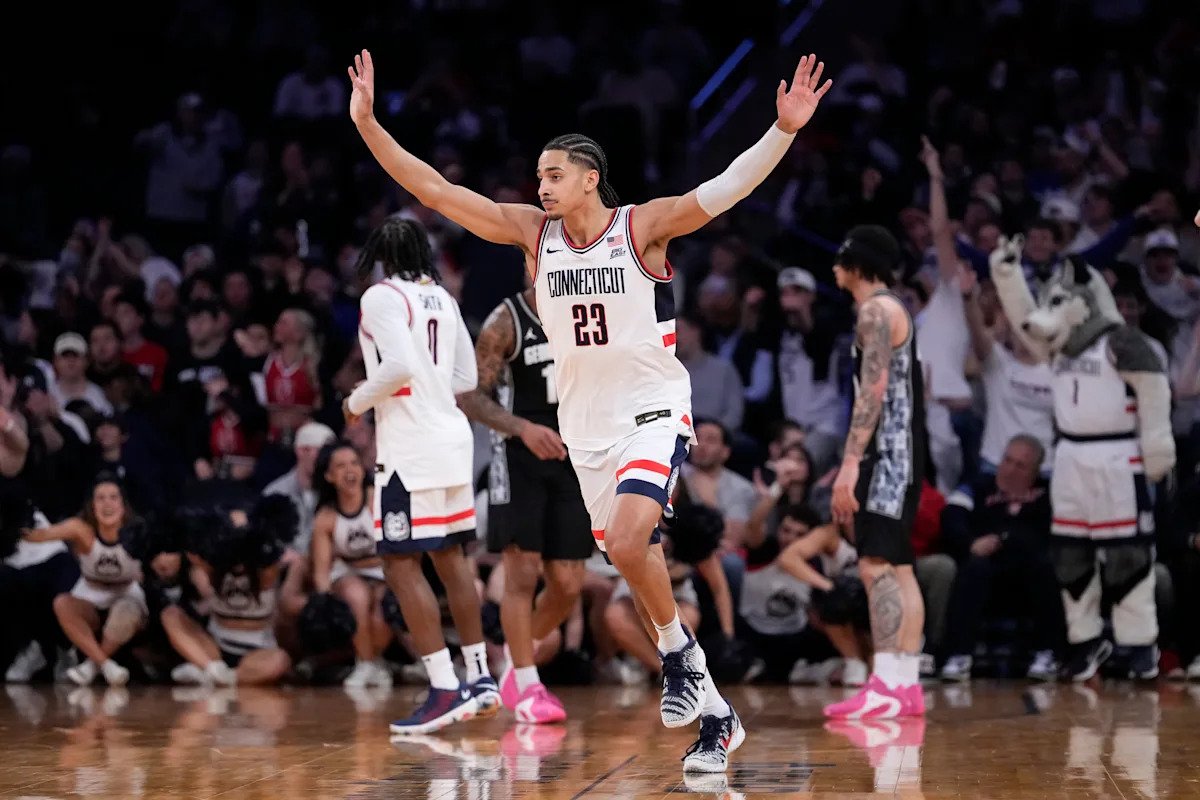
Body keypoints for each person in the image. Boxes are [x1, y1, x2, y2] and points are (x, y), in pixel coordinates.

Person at [348, 47, 831, 771]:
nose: (539, 186)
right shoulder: (532, 236)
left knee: (633, 543)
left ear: (588, 178)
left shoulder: (641, 227)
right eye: (537, 176)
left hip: (651, 407)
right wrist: (369, 125)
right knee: (636, 566)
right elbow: (439, 191)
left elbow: (725, 188)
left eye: (552, 175)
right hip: (585, 429)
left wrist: (783, 131)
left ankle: (680, 665)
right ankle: (713, 710)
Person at [342, 216, 499, 735]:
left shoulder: (381, 296)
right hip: (451, 439)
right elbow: (467, 379)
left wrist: (355, 401)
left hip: (410, 449)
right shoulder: (443, 298)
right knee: (451, 559)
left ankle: (443, 687)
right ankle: (479, 677)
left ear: (379, 255)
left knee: (400, 564)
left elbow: (398, 368)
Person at [457, 287, 591, 723]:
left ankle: (516, 663)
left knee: (569, 583)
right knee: (523, 572)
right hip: (517, 459)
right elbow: (470, 395)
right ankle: (529, 685)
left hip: (573, 456)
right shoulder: (506, 319)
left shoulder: (585, 310)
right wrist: (523, 428)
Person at [825, 225, 927, 719]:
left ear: (858, 263)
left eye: (841, 257)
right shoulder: (893, 307)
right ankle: (904, 684)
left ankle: (886, 683)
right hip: (904, 451)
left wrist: (849, 465)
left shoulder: (875, 311)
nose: (834, 266)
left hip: (887, 454)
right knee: (900, 567)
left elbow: (873, 392)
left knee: (875, 566)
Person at [21, 474, 147, 687]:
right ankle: (106, 665)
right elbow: (38, 535)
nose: (107, 504)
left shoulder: (139, 530)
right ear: (92, 505)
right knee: (62, 603)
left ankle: (91, 666)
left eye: (113, 497)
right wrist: (11, 524)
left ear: (123, 504)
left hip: (126, 595)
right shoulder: (81, 530)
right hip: (90, 594)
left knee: (125, 611)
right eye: (101, 498)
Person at [162, 495, 295, 687]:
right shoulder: (213, 566)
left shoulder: (265, 569)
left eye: (242, 528)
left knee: (281, 660)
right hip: (215, 648)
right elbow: (189, 545)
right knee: (170, 614)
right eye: (231, 528)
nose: (237, 534)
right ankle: (210, 669)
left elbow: (277, 549)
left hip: (257, 652)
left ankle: (219, 677)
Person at [309, 441, 392, 689]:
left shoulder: (378, 499)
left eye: (354, 463)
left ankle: (374, 661)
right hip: (348, 572)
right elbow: (322, 571)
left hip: (385, 570)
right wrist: (324, 605)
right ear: (329, 476)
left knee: (380, 614)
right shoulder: (325, 518)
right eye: (341, 466)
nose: (350, 471)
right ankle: (366, 665)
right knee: (357, 596)